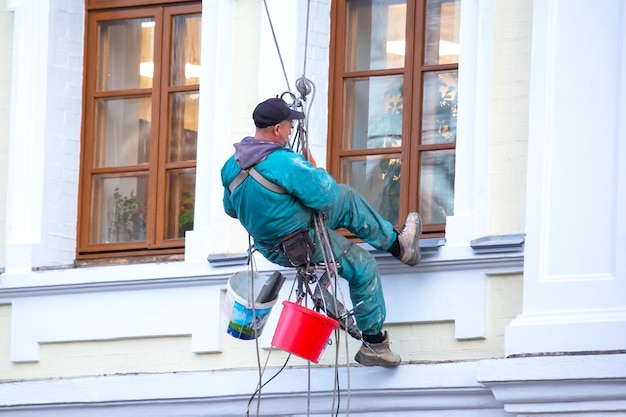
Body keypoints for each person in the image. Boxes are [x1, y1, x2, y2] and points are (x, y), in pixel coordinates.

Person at [221, 97, 422, 367]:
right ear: (277, 130)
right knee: (363, 266)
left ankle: (401, 245)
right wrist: (309, 172)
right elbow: (325, 196)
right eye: (289, 126)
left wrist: (277, 206)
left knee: (347, 197)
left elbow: (231, 209)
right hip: (304, 241)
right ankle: (374, 346)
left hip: (274, 247)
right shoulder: (282, 162)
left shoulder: (231, 166)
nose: (291, 131)